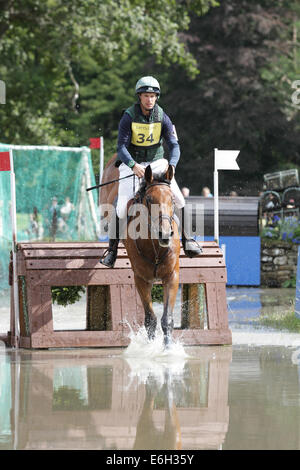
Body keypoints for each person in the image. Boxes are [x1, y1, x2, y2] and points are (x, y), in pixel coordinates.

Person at [100, 76, 202, 268]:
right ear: (140, 97)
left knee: (180, 200)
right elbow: (121, 147)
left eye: (153, 96)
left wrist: (172, 164)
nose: (149, 99)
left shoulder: (162, 117)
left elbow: (174, 145)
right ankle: (111, 251)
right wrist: (132, 165)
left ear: (157, 97)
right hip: (132, 164)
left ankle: (188, 240)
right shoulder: (128, 116)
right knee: (121, 207)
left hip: (157, 163)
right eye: (146, 95)